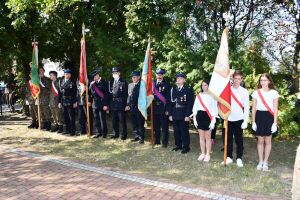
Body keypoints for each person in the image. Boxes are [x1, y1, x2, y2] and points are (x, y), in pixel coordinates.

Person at [252, 73, 279, 171]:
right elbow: (254, 108)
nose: (262, 82)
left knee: (268, 141)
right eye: (261, 80)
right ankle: (260, 161)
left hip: (269, 117)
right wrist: (253, 121)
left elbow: (275, 109)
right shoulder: (256, 92)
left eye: (264, 80)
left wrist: (275, 123)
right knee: (260, 140)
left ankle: (265, 162)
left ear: (269, 81)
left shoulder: (274, 93)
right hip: (259, 116)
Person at [223, 71, 250, 167]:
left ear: (241, 80)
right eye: (235, 78)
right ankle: (229, 157)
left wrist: (246, 120)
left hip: (239, 118)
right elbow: (223, 103)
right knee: (228, 139)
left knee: (239, 140)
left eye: (239, 79)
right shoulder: (228, 90)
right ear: (232, 78)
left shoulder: (244, 91)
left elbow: (247, 107)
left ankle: (239, 158)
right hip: (228, 118)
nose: (237, 80)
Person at [192, 80, 217, 162]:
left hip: (208, 116)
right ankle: (202, 153)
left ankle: (208, 154)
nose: (203, 87)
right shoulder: (199, 95)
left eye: (205, 85)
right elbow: (195, 107)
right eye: (202, 85)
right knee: (201, 137)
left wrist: (213, 121)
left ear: (209, 86)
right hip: (199, 116)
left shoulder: (212, 96)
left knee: (208, 138)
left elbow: (214, 109)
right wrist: (195, 119)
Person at [169, 73, 194, 154]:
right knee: (176, 131)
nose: (178, 80)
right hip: (175, 113)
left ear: (184, 80)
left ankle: (186, 147)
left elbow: (190, 104)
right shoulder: (174, 89)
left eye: (180, 78)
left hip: (183, 114)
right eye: (177, 78)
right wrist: (170, 114)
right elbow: (171, 103)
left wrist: (188, 115)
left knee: (184, 131)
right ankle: (178, 145)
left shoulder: (188, 89)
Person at [108, 67, 128, 140]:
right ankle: (115, 134)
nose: (114, 74)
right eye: (113, 73)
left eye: (116, 73)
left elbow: (126, 94)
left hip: (120, 103)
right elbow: (109, 94)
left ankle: (124, 134)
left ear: (119, 73)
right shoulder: (110, 82)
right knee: (114, 120)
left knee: (122, 120)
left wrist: (126, 104)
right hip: (113, 104)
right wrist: (108, 105)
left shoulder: (123, 82)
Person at [153, 68, 171, 147]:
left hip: (163, 108)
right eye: (158, 74)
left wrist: (168, 109)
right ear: (156, 75)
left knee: (164, 127)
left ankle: (164, 142)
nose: (159, 76)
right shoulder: (152, 84)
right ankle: (157, 141)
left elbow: (169, 99)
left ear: (163, 75)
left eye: (160, 75)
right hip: (154, 108)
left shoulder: (167, 84)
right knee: (156, 126)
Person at [126, 71, 145, 144]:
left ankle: (141, 138)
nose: (133, 78)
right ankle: (136, 136)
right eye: (132, 77)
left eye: (134, 77)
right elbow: (129, 96)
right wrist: (127, 105)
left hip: (139, 108)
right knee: (134, 123)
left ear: (138, 77)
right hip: (132, 107)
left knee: (140, 123)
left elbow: (143, 97)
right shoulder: (130, 85)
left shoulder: (142, 85)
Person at [58, 69, 78, 136]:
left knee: (71, 117)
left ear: (70, 75)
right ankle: (68, 130)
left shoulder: (73, 81)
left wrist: (75, 102)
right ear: (64, 74)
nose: (67, 75)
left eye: (68, 74)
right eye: (66, 74)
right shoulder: (61, 81)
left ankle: (73, 131)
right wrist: (59, 102)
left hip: (71, 101)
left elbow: (75, 92)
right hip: (64, 101)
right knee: (66, 117)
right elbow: (59, 93)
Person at [90, 70, 108, 138]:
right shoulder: (93, 84)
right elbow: (91, 94)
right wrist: (91, 85)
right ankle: (98, 132)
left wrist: (105, 104)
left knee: (102, 119)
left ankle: (104, 133)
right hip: (95, 104)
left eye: (94, 77)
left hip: (102, 104)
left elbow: (106, 95)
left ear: (97, 75)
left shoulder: (104, 82)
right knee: (96, 119)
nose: (93, 78)